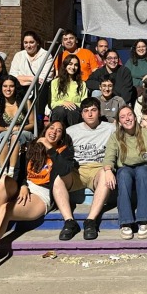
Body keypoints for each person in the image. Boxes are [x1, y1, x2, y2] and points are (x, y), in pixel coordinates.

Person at [0, 121, 78, 279]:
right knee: (1, 183)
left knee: (5, 209)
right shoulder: (32, 146)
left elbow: (64, 169)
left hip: (41, 193)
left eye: (59, 131)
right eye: (51, 128)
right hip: (25, 188)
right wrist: (23, 185)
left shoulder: (63, 150)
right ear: (46, 129)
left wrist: (49, 147)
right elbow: (19, 171)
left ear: (61, 136)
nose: (54, 132)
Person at [103, 105, 147, 240]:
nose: (127, 119)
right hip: (126, 169)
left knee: (142, 171)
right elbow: (109, 157)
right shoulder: (115, 137)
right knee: (123, 173)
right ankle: (126, 222)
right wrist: (108, 170)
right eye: (123, 117)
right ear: (119, 122)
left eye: (129, 115)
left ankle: (145, 220)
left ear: (135, 116)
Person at [59, 97, 116, 241]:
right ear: (82, 114)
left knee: (105, 173)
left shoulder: (110, 129)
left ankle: (90, 221)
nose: (90, 114)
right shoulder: (71, 131)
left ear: (99, 112)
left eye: (93, 110)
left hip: (98, 169)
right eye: (86, 111)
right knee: (57, 177)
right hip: (76, 170)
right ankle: (69, 221)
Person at [0, 75, 35, 178]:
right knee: (5, 137)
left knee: (15, 136)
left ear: (16, 88)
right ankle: (3, 171)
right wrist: (7, 129)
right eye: (5, 86)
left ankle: (11, 170)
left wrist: (19, 128)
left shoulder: (25, 103)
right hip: (6, 131)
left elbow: (32, 124)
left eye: (11, 86)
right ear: (1, 88)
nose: (8, 89)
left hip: (23, 132)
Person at [9, 30, 54, 120]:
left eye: (31, 42)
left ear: (37, 43)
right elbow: (12, 76)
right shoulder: (19, 55)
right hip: (21, 88)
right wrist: (32, 78)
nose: (28, 46)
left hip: (39, 90)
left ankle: (38, 120)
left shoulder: (46, 55)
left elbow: (44, 78)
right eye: (25, 43)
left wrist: (22, 78)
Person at [47, 54, 88, 128]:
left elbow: (84, 103)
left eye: (76, 65)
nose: (73, 67)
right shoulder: (55, 82)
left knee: (73, 111)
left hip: (75, 110)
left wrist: (72, 104)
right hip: (59, 110)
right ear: (65, 66)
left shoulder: (82, 84)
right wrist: (63, 103)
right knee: (60, 111)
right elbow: (52, 103)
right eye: (70, 64)